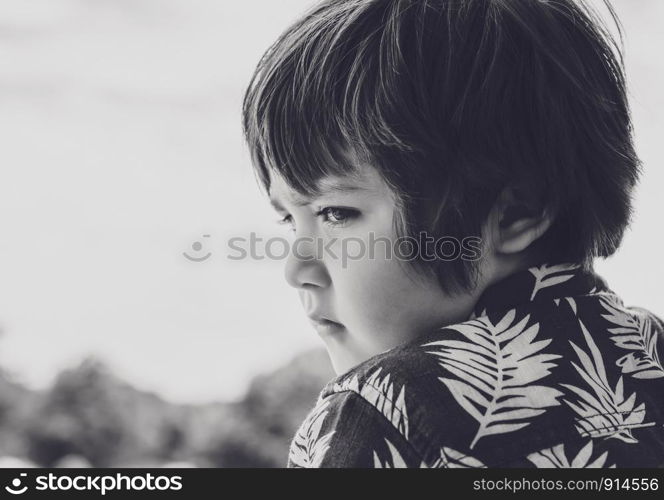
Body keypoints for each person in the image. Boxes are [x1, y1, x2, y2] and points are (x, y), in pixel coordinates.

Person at [241, 0, 664, 467]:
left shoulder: (387, 415)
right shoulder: (651, 356)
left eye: (337, 213)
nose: (296, 269)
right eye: (287, 219)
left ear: (515, 214)